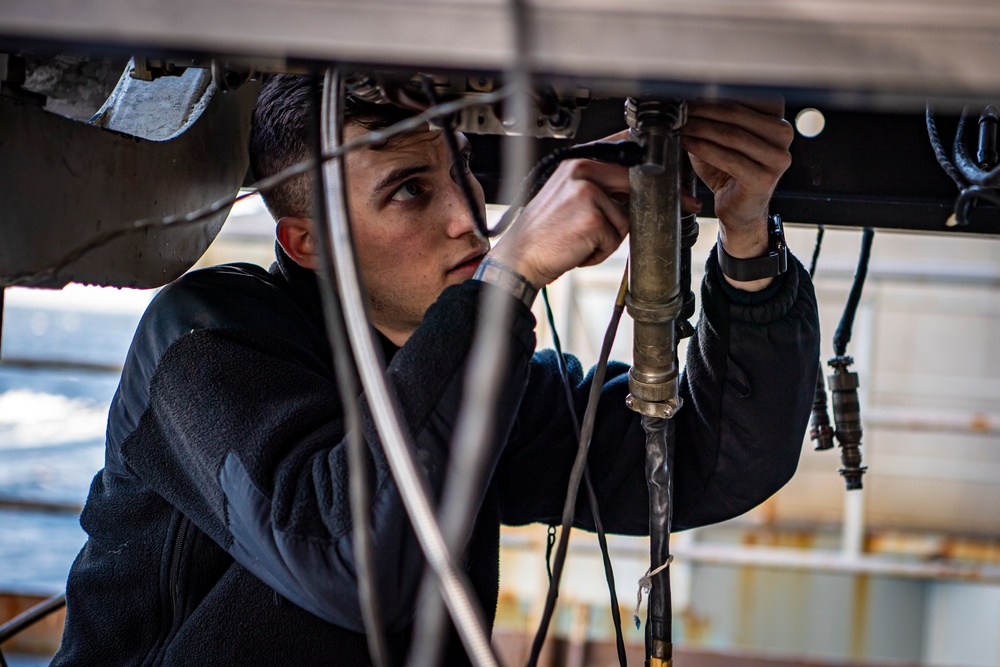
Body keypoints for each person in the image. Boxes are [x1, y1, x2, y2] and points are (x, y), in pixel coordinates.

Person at [52, 74, 819, 666]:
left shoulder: (476, 379)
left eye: (459, 171)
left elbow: (712, 459)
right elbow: (350, 559)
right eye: (411, 191)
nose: (467, 215)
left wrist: (747, 233)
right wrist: (508, 277)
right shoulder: (206, 341)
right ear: (308, 242)